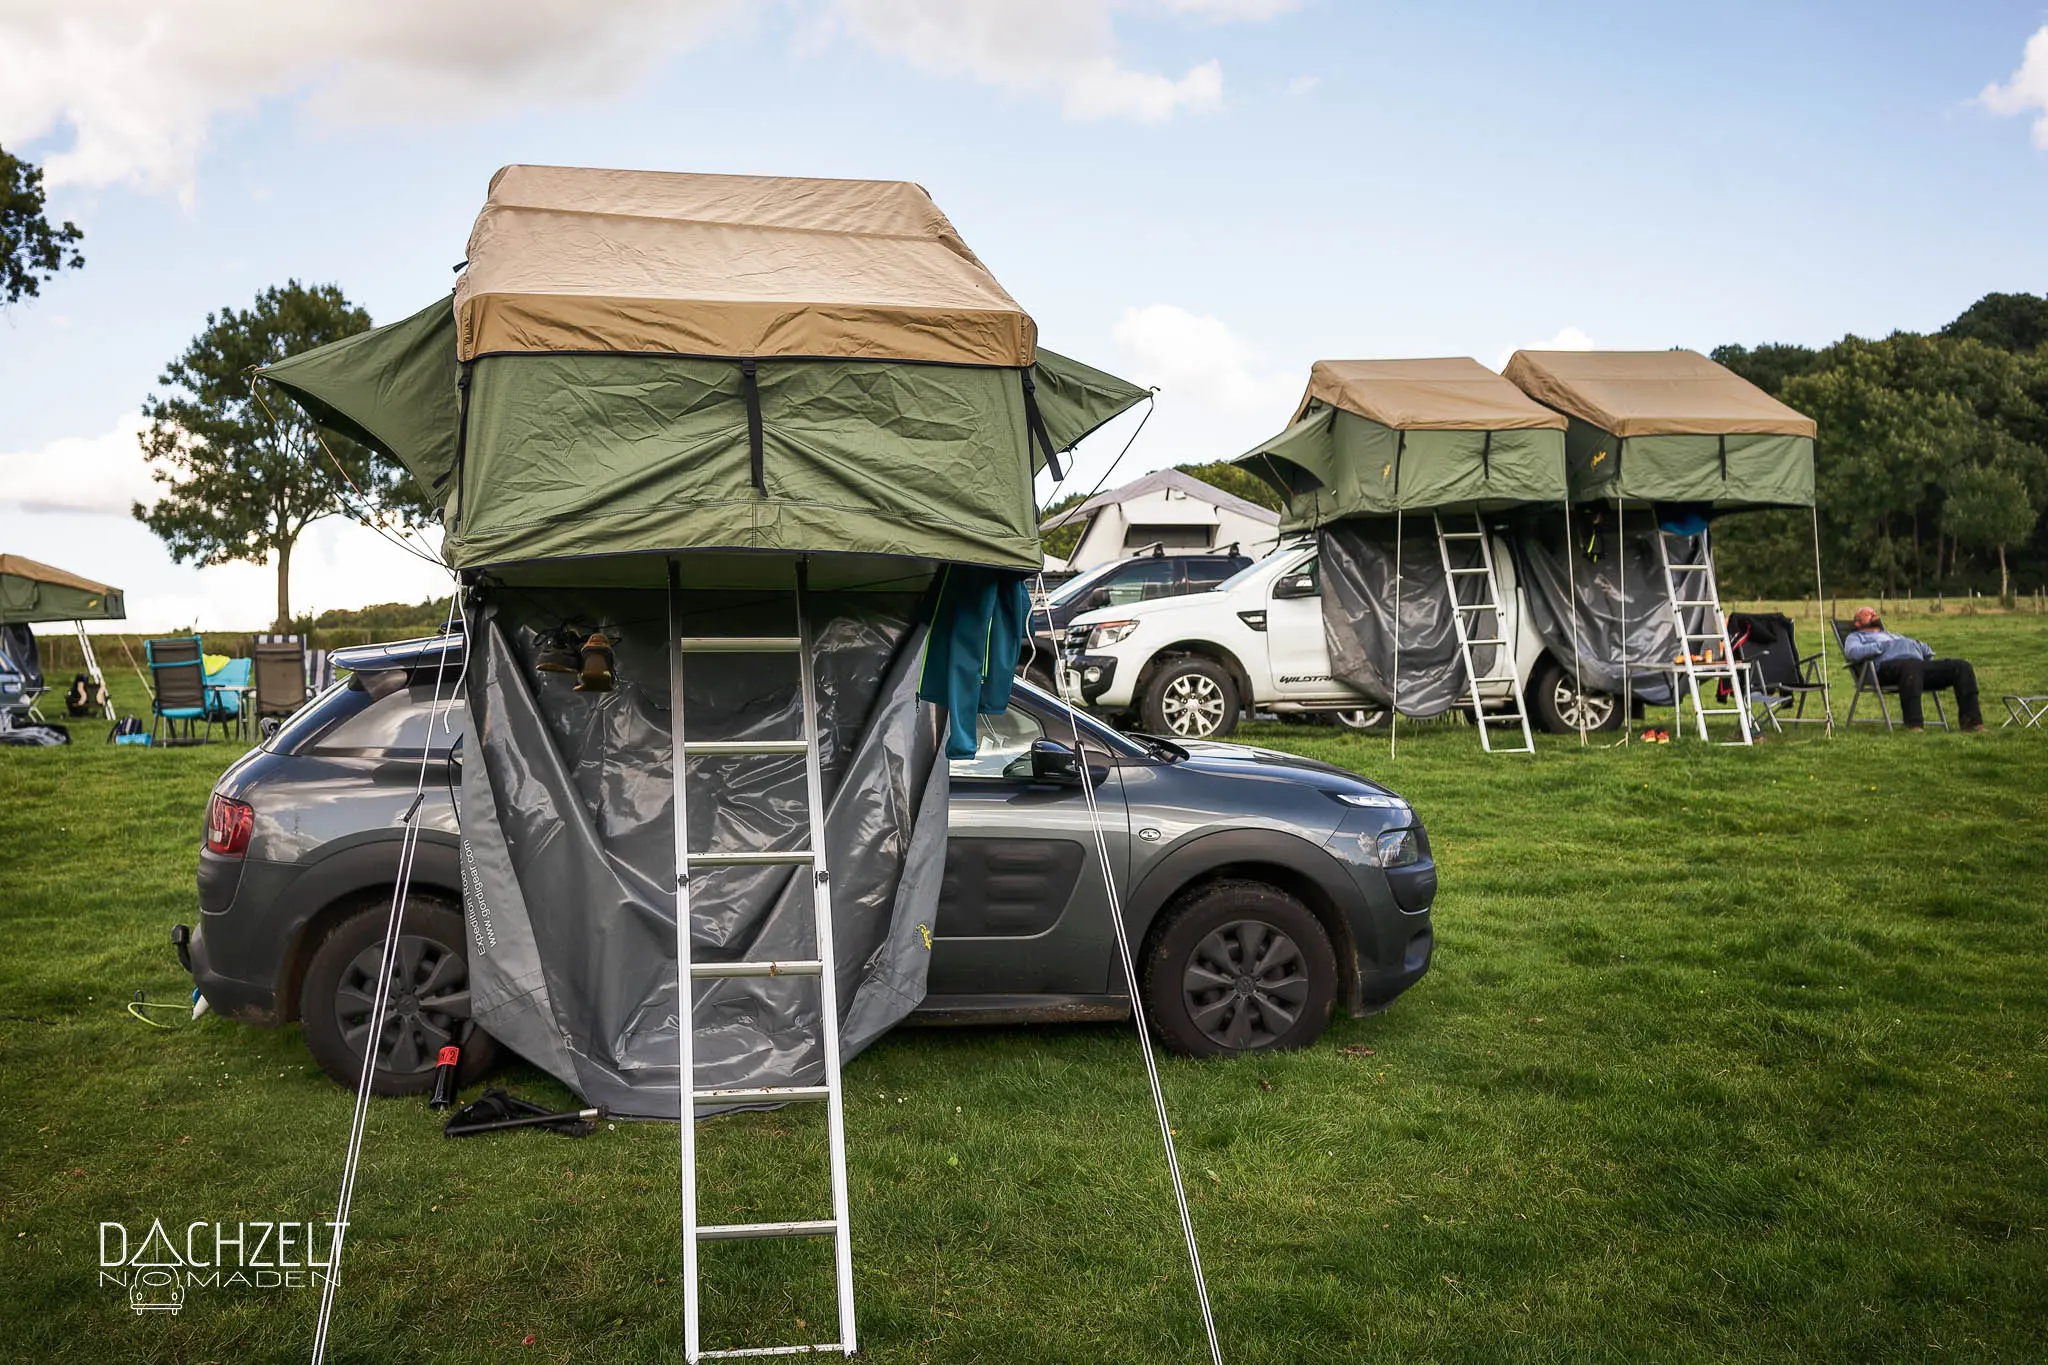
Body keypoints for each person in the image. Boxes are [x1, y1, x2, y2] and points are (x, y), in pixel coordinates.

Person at [1841, 606, 1984, 731]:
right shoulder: (1856, 637)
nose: (1874, 614)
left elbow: (1926, 650)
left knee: (1961, 666)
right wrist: (1883, 647)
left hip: (1916, 666)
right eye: (1868, 613)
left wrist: (1915, 646)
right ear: (1858, 623)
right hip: (1886, 670)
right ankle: (1914, 724)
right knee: (1910, 666)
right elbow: (1853, 653)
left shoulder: (1892, 635)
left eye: (1874, 612)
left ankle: (1972, 724)